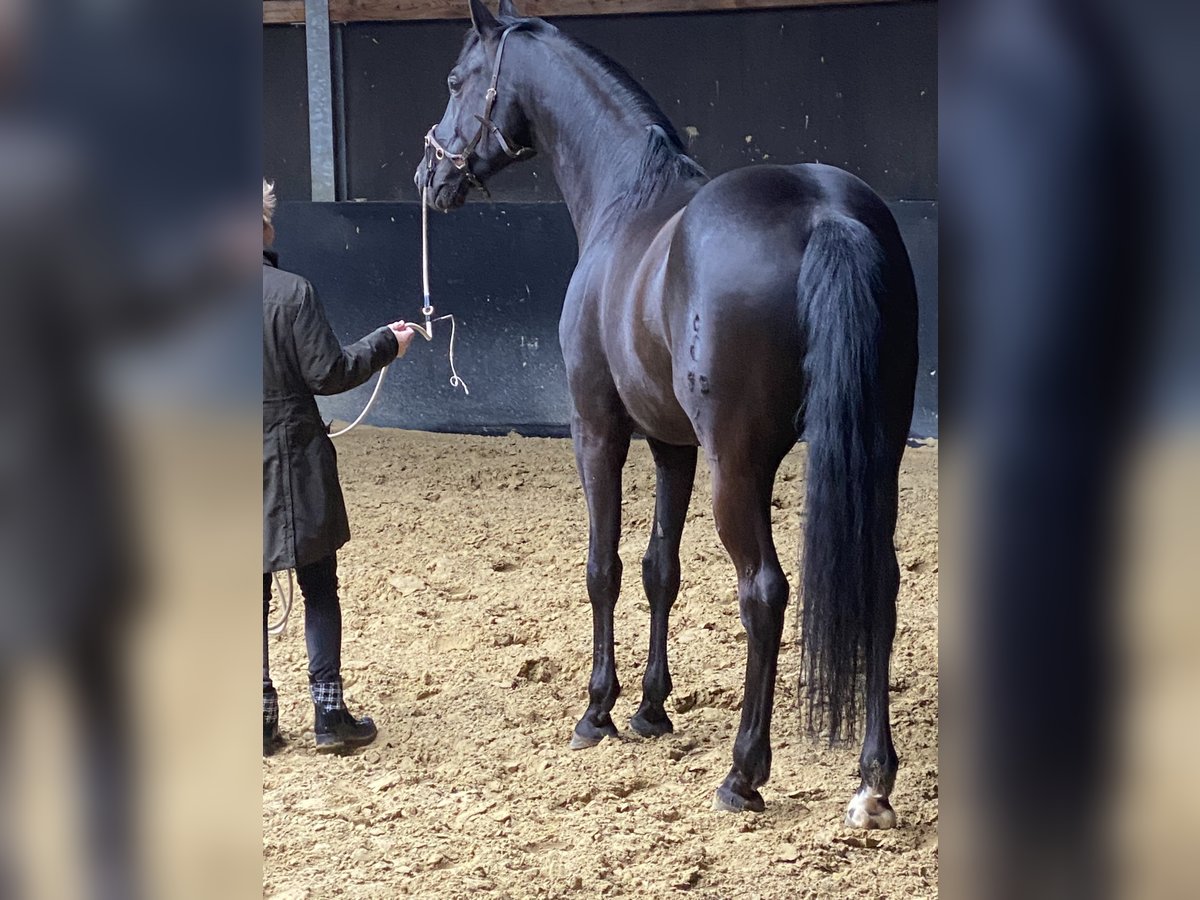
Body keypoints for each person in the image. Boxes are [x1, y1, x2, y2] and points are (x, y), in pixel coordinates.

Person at [262, 179, 415, 755]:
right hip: (295, 459)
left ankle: (258, 718)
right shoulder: (293, 293)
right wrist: (385, 344)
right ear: (263, 227)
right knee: (319, 585)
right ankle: (329, 716)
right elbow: (329, 374)